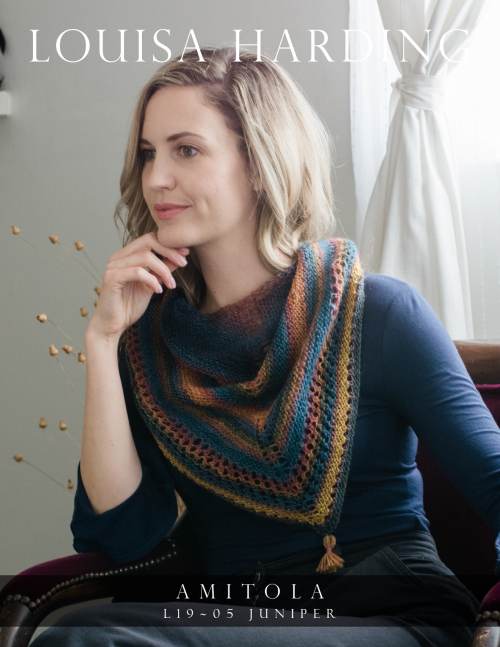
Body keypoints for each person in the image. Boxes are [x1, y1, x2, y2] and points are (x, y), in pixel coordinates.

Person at [30, 47, 499, 647]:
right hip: (232, 616)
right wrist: (103, 342)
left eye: (186, 150)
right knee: (76, 633)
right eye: (148, 154)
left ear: (258, 163)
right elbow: (122, 538)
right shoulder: (148, 346)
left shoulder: (376, 312)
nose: (156, 178)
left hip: (391, 614)